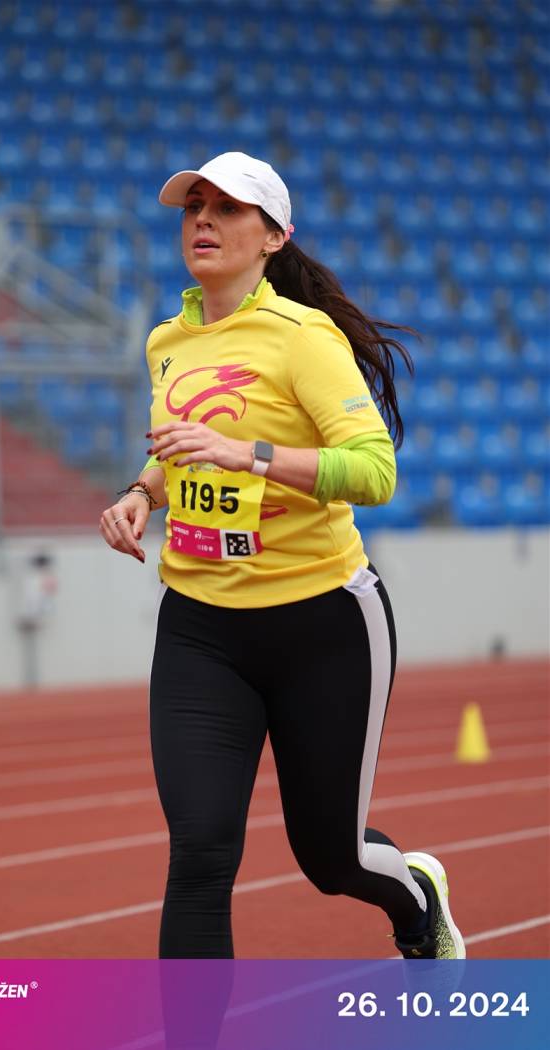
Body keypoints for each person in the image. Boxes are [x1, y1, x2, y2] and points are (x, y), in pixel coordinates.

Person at [100, 152, 465, 962]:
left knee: (332, 860)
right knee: (200, 854)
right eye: (193, 206)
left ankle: (418, 903)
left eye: (228, 208)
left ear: (273, 236)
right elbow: (179, 446)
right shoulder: (166, 341)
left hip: (321, 625)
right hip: (201, 628)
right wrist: (142, 491)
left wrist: (250, 456)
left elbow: (374, 472)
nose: (203, 219)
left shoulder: (304, 338)